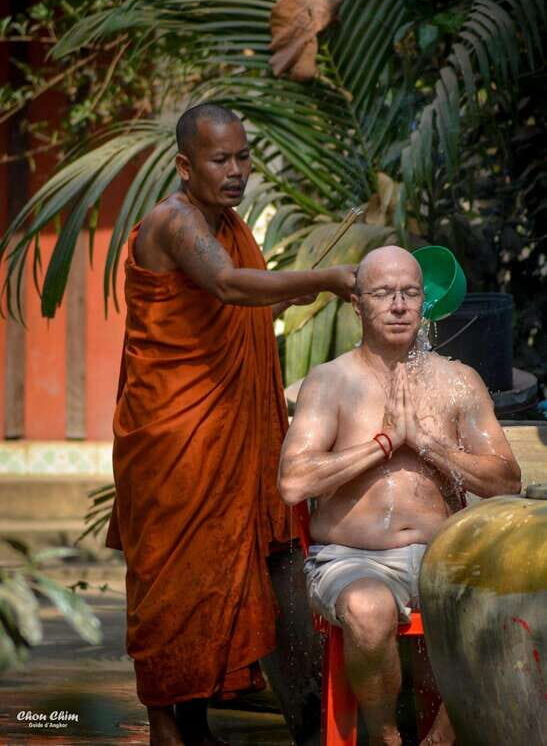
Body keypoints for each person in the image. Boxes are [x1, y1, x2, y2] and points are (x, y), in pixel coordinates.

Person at [105, 102, 356, 746]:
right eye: (222, 159)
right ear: (185, 165)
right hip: (174, 437)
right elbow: (228, 288)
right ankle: (168, 720)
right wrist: (326, 278)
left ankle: (196, 720)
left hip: (224, 428)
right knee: (173, 578)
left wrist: (285, 289)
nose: (238, 170)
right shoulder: (175, 221)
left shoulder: (229, 225)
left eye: (244, 157)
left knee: (220, 572)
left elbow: (248, 291)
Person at [278, 245, 521, 746]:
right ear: (358, 305)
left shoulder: (458, 382)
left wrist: (427, 444)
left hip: (446, 556)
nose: (398, 305)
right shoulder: (330, 382)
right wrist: (385, 443)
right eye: (383, 293)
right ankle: (386, 736)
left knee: (507, 602)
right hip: (354, 558)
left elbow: (506, 482)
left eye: (410, 293)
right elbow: (294, 483)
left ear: (424, 303)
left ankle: (440, 736)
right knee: (368, 611)